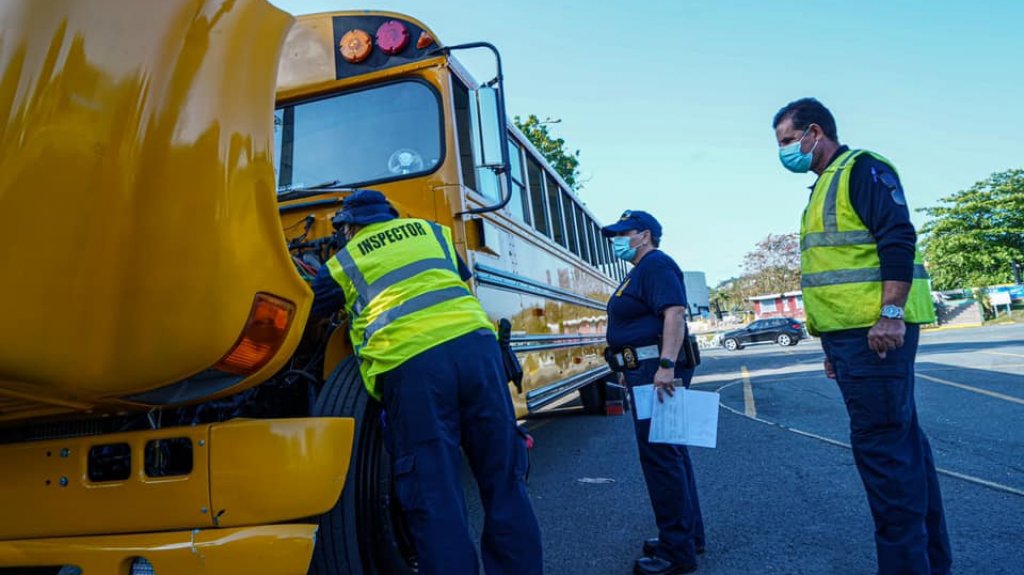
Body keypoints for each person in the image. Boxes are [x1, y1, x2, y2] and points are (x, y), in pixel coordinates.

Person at [309, 189, 543, 575]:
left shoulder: (343, 261)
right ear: (391, 215)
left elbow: (309, 314)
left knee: (435, 493)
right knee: (504, 478)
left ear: (348, 227)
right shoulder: (432, 233)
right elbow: (456, 281)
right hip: (479, 353)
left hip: (415, 365)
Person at [773, 98, 952, 575]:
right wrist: (832, 345)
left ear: (815, 132)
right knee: (903, 450)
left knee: (886, 460)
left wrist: (891, 313)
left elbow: (897, 237)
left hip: (876, 336)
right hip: (854, 341)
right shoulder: (825, 184)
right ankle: (931, 564)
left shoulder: (861, 169)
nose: (785, 151)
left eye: (788, 141)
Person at [601, 210, 705, 575]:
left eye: (622, 233)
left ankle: (677, 553)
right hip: (647, 368)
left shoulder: (656, 264)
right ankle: (687, 537)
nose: (615, 239)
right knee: (672, 452)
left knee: (661, 457)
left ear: (644, 235)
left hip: (654, 369)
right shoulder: (640, 269)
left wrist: (666, 365)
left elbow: (674, 314)